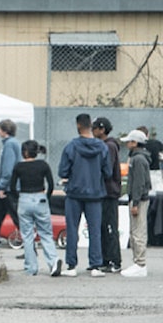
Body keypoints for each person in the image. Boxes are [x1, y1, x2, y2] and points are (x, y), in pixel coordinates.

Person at [58, 113, 111, 277]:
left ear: (78, 125)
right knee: (95, 230)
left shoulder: (71, 146)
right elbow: (108, 172)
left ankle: (72, 266)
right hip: (95, 193)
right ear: (90, 126)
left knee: (72, 229)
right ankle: (95, 265)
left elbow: (62, 171)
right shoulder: (102, 147)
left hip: (74, 193)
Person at [9, 140, 61, 277]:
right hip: (40, 198)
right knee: (46, 233)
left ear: (24, 152)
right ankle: (53, 261)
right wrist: (46, 198)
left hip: (24, 199)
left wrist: (17, 198)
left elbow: (12, 187)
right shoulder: (43, 165)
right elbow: (50, 184)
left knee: (27, 236)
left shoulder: (18, 167)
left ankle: (31, 268)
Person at [92, 117, 122, 273]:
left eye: (94, 128)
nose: (92, 131)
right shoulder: (105, 145)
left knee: (110, 226)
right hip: (103, 191)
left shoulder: (109, 146)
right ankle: (105, 259)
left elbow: (107, 169)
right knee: (102, 226)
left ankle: (114, 260)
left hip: (109, 192)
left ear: (102, 130)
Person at [0, 119, 21, 255]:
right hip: (9, 188)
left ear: (4, 131)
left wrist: (0, 187)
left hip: (8, 190)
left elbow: (7, 169)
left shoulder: (9, 145)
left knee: (10, 218)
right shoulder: (13, 144)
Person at [120, 129, 152, 278]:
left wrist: (135, 202)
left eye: (129, 141)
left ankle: (140, 263)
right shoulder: (139, 158)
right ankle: (138, 262)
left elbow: (139, 183)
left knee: (138, 232)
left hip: (139, 199)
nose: (127, 143)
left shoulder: (138, 159)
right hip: (138, 198)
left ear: (135, 142)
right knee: (136, 231)